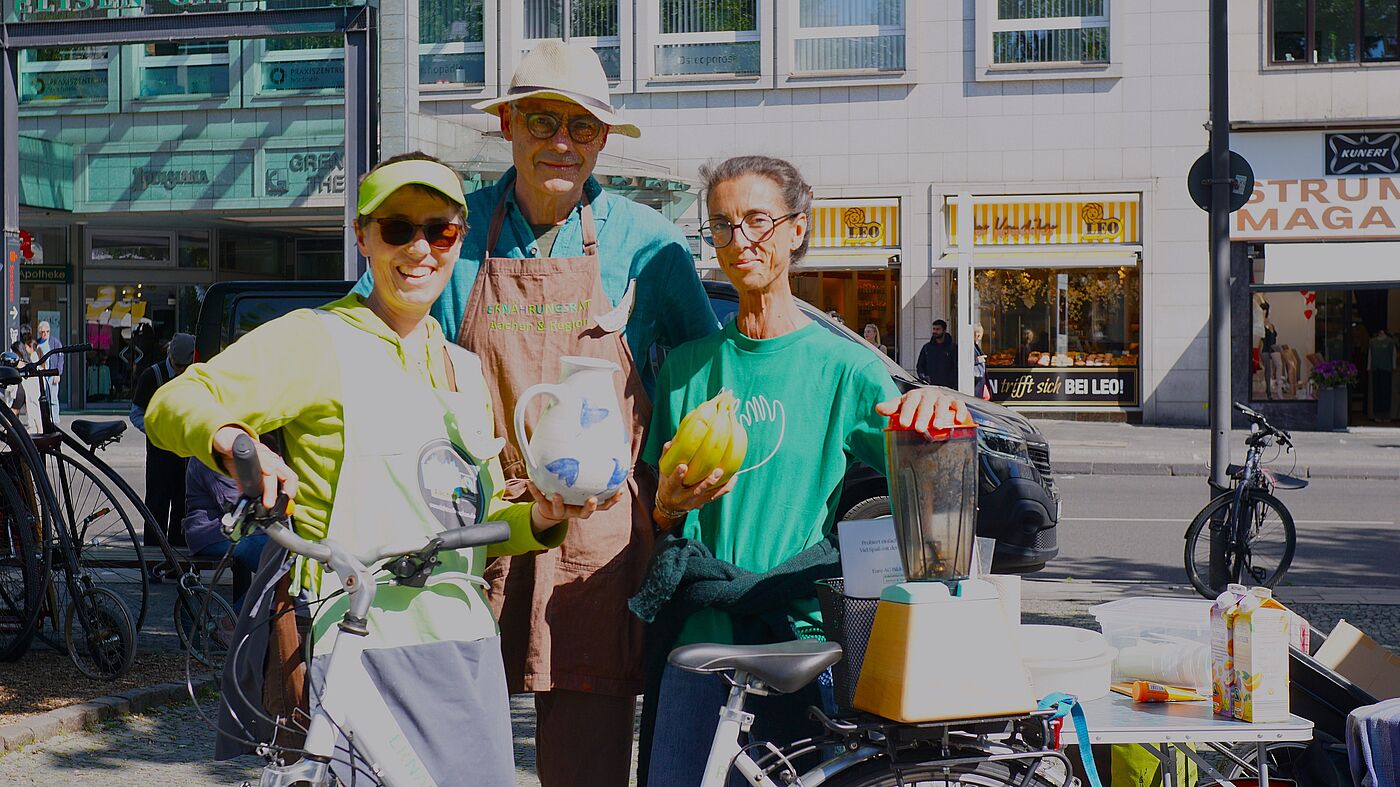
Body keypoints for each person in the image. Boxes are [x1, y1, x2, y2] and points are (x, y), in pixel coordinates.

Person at [146, 153, 608, 784]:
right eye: (397, 228)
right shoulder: (316, 339)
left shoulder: (464, 368)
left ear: (458, 239)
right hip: (353, 638)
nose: (420, 248)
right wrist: (233, 440)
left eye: (439, 231)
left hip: (462, 642)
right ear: (363, 236)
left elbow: (485, 519)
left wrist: (544, 519)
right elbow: (175, 402)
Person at [352, 40, 718, 786]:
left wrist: (676, 484)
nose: (561, 143)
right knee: (442, 735)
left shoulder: (649, 245)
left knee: (586, 750)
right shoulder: (452, 232)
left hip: (598, 534)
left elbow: (703, 374)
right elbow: (370, 334)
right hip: (471, 518)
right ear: (510, 125)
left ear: (604, 140)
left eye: (582, 128)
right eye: (543, 121)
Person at [632, 156, 964, 786]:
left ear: (796, 230)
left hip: (799, 642)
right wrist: (669, 508)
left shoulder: (845, 369)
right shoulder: (685, 368)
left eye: (757, 220)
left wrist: (938, 409)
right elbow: (653, 519)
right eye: (722, 226)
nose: (740, 241)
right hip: (699, 641)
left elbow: (928, 488)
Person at [131, 332, 194, 563]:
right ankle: (153, 561)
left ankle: (178, 563)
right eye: (178, 366)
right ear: (169, 355)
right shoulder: (151, 376)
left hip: (186, 454)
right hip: (159, 454)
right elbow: (136, 414)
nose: (181, 371)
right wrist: (157, 431)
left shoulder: (194, 375)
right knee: (156, 506)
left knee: (182, 507)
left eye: (185, 367)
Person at [181, 458, 269, 610]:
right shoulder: (210, 456)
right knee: (281, 566)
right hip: (214, 533)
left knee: (283, 563)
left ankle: (238, 621)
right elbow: (233, 504)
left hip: (231, 530)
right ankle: (234, 624)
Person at [10, 324, 43, 434]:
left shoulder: (27, 359)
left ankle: (39, 430)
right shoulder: (29, 357)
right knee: (33, 409)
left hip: (30, 387)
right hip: (30, 387)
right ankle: (38, 430)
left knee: (33, 408)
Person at [916, 319, 958, 388]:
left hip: (948, 388)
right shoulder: (927, 348)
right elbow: (920, 366)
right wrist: (925, 378)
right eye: (934, 329)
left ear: (944, 330)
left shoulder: (953, 348)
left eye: (938, 329)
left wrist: (953, 383)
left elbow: (956, 368)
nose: (935, 331)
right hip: (931, 387)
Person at [36, 321, 62, 424]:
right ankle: (45, 419)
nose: (45, 334)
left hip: (52, 373)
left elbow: (61, 358)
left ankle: (55, 420)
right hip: (41, 374)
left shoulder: (55, 342)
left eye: (47, 331)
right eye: (43, 332)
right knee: (43, 397)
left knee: (53, 398)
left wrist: (58, 373)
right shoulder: (37, 344)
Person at [973, 323, 989, 399]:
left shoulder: (975, 345)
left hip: (979, 381)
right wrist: (978, 360)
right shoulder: (971, 346)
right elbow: (967, 360)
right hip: (976, 381)